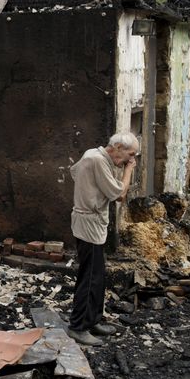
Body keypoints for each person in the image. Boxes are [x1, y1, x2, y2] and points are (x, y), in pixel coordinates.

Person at [67, 132, 138, 346]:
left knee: (98, 275)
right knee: (89, 278)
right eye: (130, 154)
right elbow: (120, 195)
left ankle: (93, 320)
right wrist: (128, 170)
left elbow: (73, 172)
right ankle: (78, 327)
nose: (131, 159)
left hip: (93, 223)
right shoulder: (96, 159)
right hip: (88, 224)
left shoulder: (95, 157)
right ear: (116, 146)